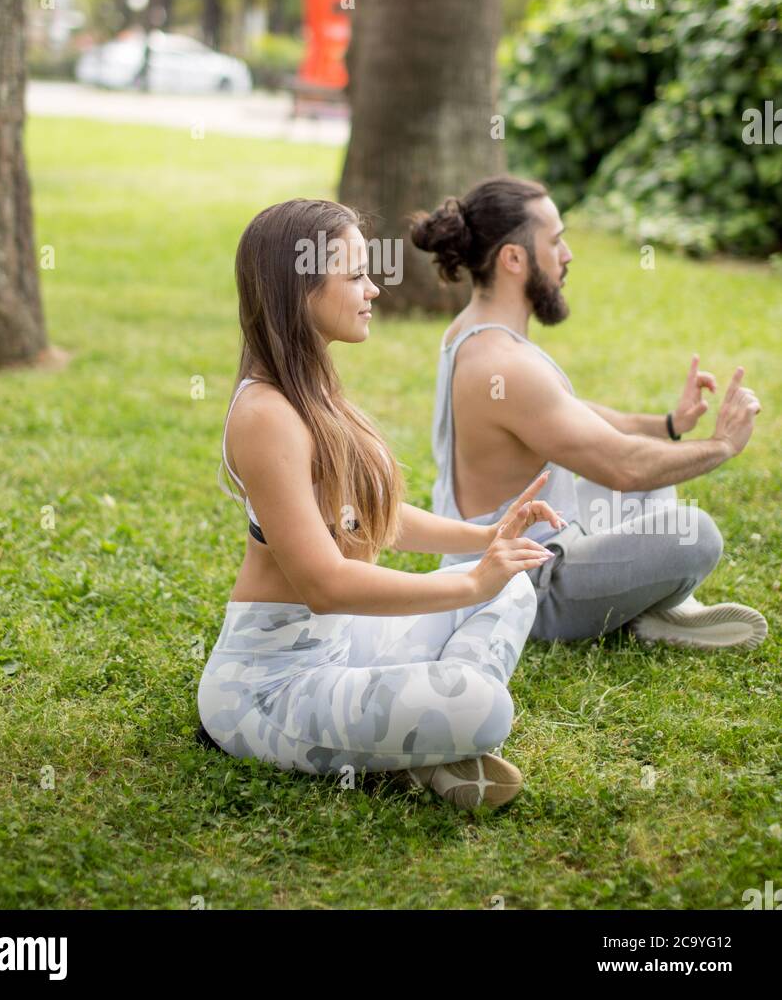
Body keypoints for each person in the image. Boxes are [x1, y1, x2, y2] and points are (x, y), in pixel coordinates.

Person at [197, 197, 566, 811]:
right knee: (486, 707)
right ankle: (413, 746)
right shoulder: (266, 415)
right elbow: (326, 585)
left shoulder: (312, 388)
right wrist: (468, 587)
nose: (373, 290)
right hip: (271, 689)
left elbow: (375, 519)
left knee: (516, 586)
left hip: (347, 646)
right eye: (355, 277)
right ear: (298, 289)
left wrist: (487, 538)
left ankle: (407, 746)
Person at [409, 174, 768, 651]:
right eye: (555, 241)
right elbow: (622, 464)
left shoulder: (472, 332)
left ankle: (655, 607)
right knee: (694, 534)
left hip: (523, 545)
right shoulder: (503, 365)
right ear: (513, 258)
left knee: (656, 466)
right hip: (522, 585)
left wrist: (667, 426)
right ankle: (659, 607)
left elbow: (568, 412)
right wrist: (722, 444)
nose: (568, 254)